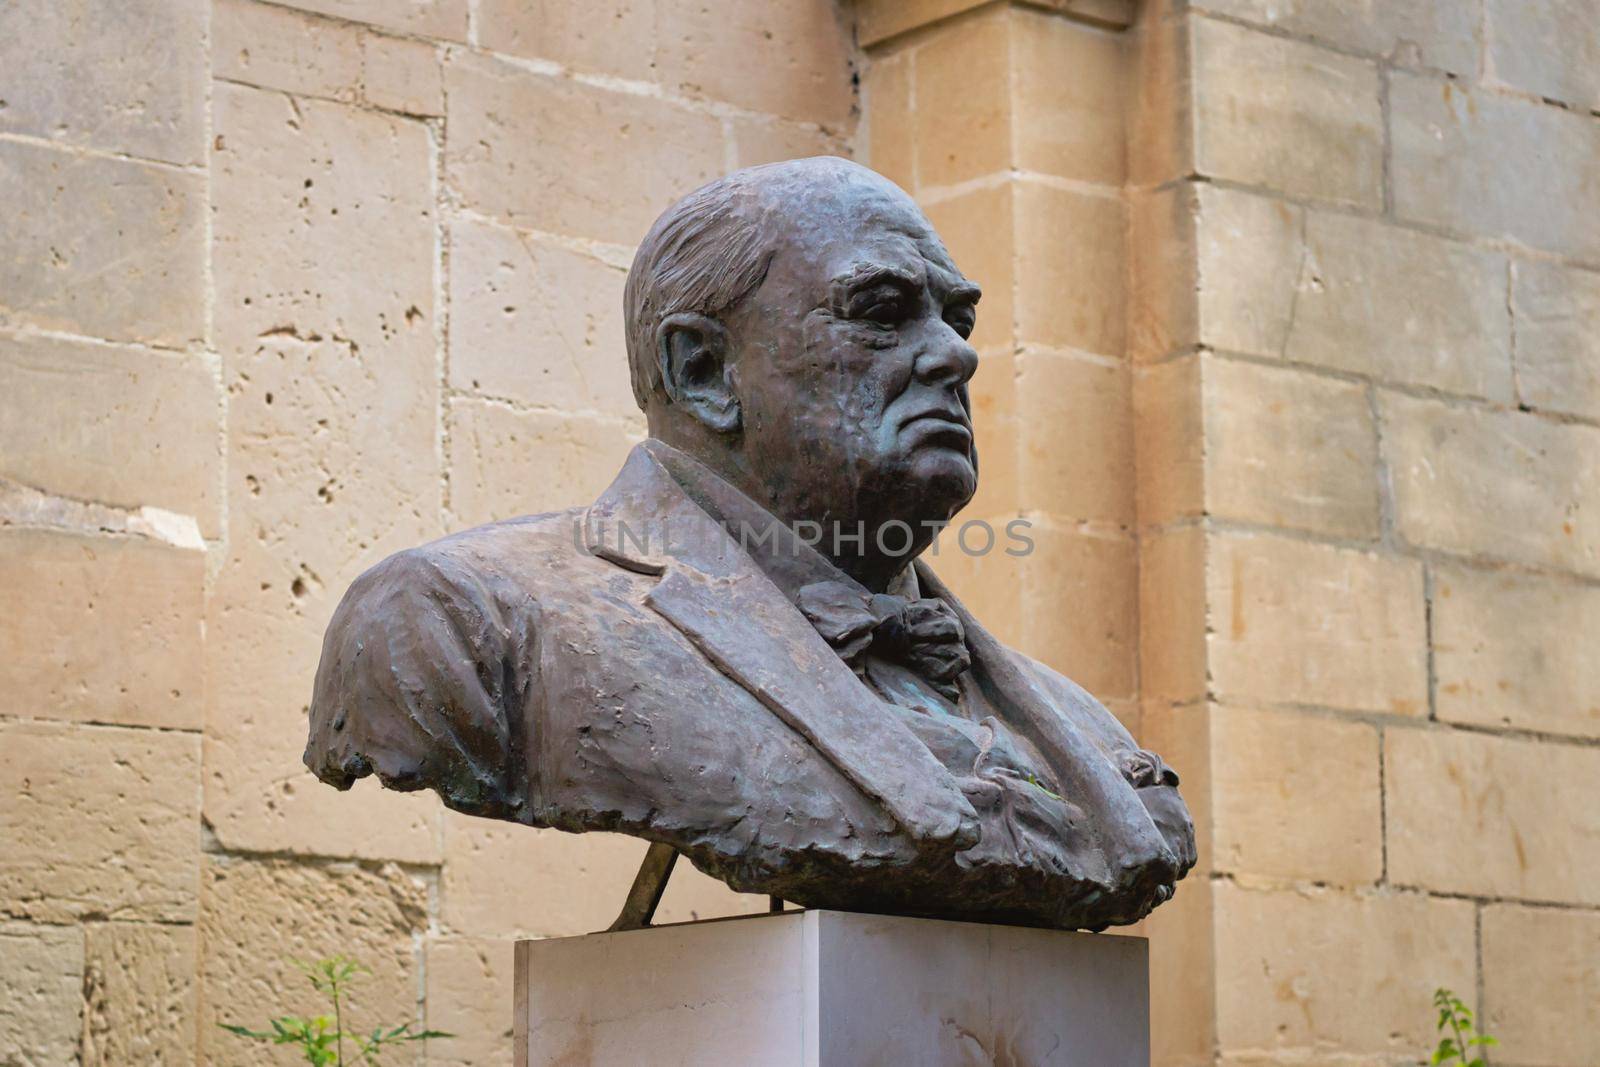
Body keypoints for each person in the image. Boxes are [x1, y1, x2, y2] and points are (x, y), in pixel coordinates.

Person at [304, 157, 1194, 930]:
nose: (954, 358)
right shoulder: (464, 621)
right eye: (881, 311)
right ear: (703, 371)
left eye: (954, 320)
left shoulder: (1084, 727)